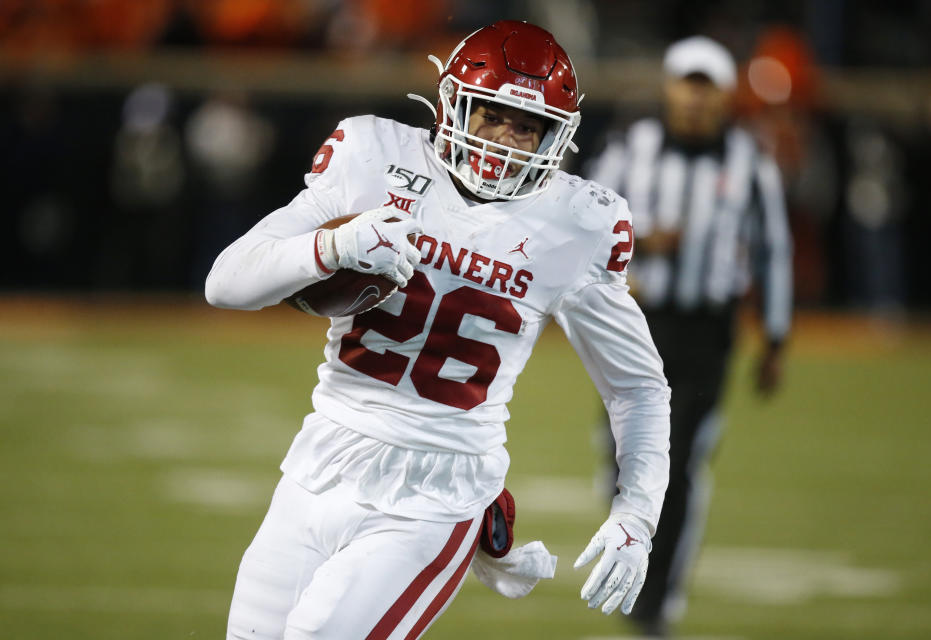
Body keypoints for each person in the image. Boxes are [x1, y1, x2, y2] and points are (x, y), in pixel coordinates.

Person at [205, 20, 671, 640]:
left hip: (438, 489)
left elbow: (638, 387)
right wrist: (332, 246)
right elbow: (227, 282)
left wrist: (636, 513)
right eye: (496, 113)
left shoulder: (579, 223)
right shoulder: (373, 157)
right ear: (453, 104)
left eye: (529, 126)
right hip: (323, 456)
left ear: (557, 138)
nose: (509, 138)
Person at [588, 36, 792, 637]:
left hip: (707, 329)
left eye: (707, 88)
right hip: (636, 328)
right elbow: (584, 221)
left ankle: (656, 601)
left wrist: (775, 339)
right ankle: (636, 568)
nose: (695, 100)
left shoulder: (750, 160)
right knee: (624, 456)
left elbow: (773, 250)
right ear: (670, 88)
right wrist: (642, 243)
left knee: (676, 461)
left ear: (725, 97)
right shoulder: (632, 147)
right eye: (687, 84)